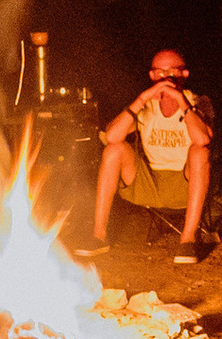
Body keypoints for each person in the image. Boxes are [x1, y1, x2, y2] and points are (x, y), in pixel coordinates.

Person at [88, 49, 214, 263]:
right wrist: (142, 98)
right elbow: (112, 136)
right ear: (152, 76)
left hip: (186, 185)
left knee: (199, 152)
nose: (166, 77)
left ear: (184, 74)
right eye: (160, 72)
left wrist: (182, 102)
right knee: (114, 149)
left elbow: (203, 139)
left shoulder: (199, 102)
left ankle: (188, 241)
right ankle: (98, 236)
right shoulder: (145, 105)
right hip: (148, 184)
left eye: (173, 71)